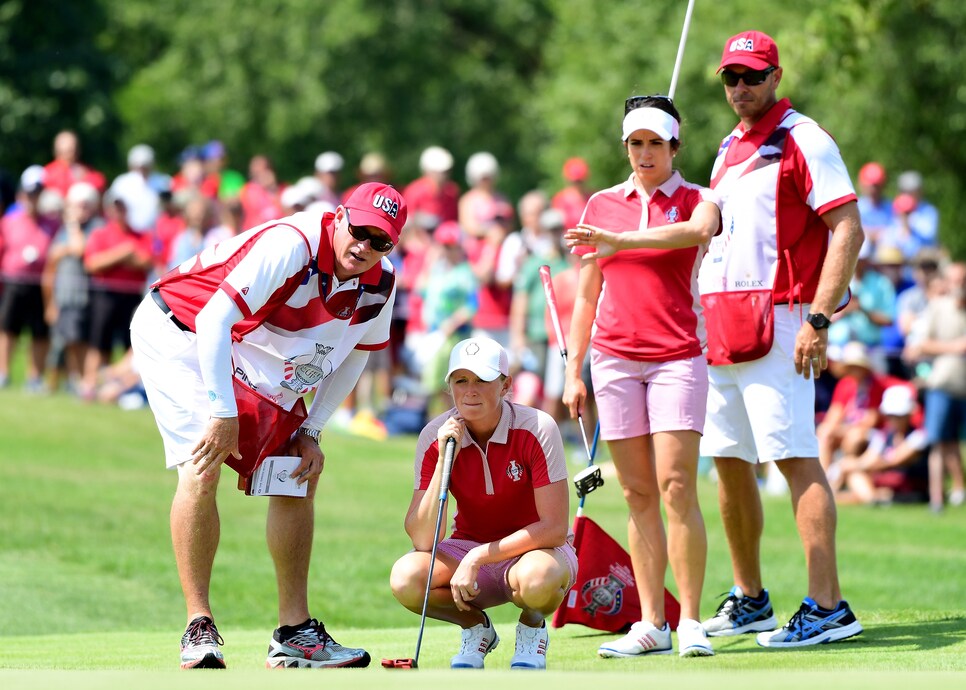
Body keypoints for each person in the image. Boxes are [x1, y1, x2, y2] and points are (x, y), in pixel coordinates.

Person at [129, 182, 408, 670]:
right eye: (359, 231)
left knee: (299, 472)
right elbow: (215, 319)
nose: (364, 246)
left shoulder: (381, 282)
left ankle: (294, 634)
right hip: (180, 328)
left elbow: (354, 358)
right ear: (340, 217)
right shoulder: (293, 244)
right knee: (203, 466)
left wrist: (313, 429)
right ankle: (199, 627)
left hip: (247, 342)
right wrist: (222, 413)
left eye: (380, 241)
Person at [696, 30, 864, 648]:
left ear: (775, 76)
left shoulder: (804, 138)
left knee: (794, 457)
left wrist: (820, 319)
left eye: (751, 76)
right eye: (730, 79)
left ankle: (829, 606)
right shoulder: (726, 146)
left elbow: (847, 227)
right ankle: (751, 598)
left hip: (784, 319)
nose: (740, 88)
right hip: (723, 320)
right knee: (730, 463)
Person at [563, 95, 721, 658]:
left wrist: (622, 241)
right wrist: (572, 372)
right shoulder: (601, 205)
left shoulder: (700, 199)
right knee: (635, 492)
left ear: (675, 147)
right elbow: (586, 296)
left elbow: (693, 234)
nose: (645, 153)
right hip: (613, 359)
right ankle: (652, 622)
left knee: (678, 484)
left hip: (678, 355)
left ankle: (693, 620)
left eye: (656, 143)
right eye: (636, 143)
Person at [389, 336, 575, 670]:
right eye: (461, 381)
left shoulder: (537, 427)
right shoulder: (436, 436)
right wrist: (446, 461)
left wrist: (478, 555)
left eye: (483, 380)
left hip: (537, 551)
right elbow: (422, 538)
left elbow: (555, 529)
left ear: (506, 386)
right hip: (468, 548)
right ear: (449, 387)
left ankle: (532, 628)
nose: (470, 390)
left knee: (538, 578)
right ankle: (476, 628)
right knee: (406, 578)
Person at [903, 261, 966, 512]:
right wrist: (955, 347)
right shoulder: (938, 307)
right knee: (938, 441)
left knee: (951, 442)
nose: (959, 285)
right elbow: (921, 345)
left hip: (961, 385)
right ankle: (937, 498)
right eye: (956, 280)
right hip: (941, 383)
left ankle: (958, 491)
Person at [0, 166, 59, 390]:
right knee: (7, 329)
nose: (32, 199)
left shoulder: (52, 223)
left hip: (41, 284)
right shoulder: (9, 221)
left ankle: (34, 377)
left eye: (37, 194)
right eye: (29, 194)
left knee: (39, 333)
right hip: (13, 282)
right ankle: (3, 373)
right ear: (21, 195)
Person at [832, 384, 929, 506]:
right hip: (885, 484)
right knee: (855, 475)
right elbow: (870, 458)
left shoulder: (918, 437)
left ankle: (868, 498)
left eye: (899, 416)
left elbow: (892, 461)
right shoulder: (883, 435)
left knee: (854, 471)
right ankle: (870, 497)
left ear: (909, 415)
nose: (894, 420)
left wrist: (854, 465)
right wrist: (851, 465)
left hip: (911, 489)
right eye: (891, 415)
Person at [403, 146, 460, 223]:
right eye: (439, 172)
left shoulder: (452, 191)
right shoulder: (414, 191)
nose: (443, 175)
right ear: (427, 171)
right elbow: (406, 220)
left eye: (446, 171)